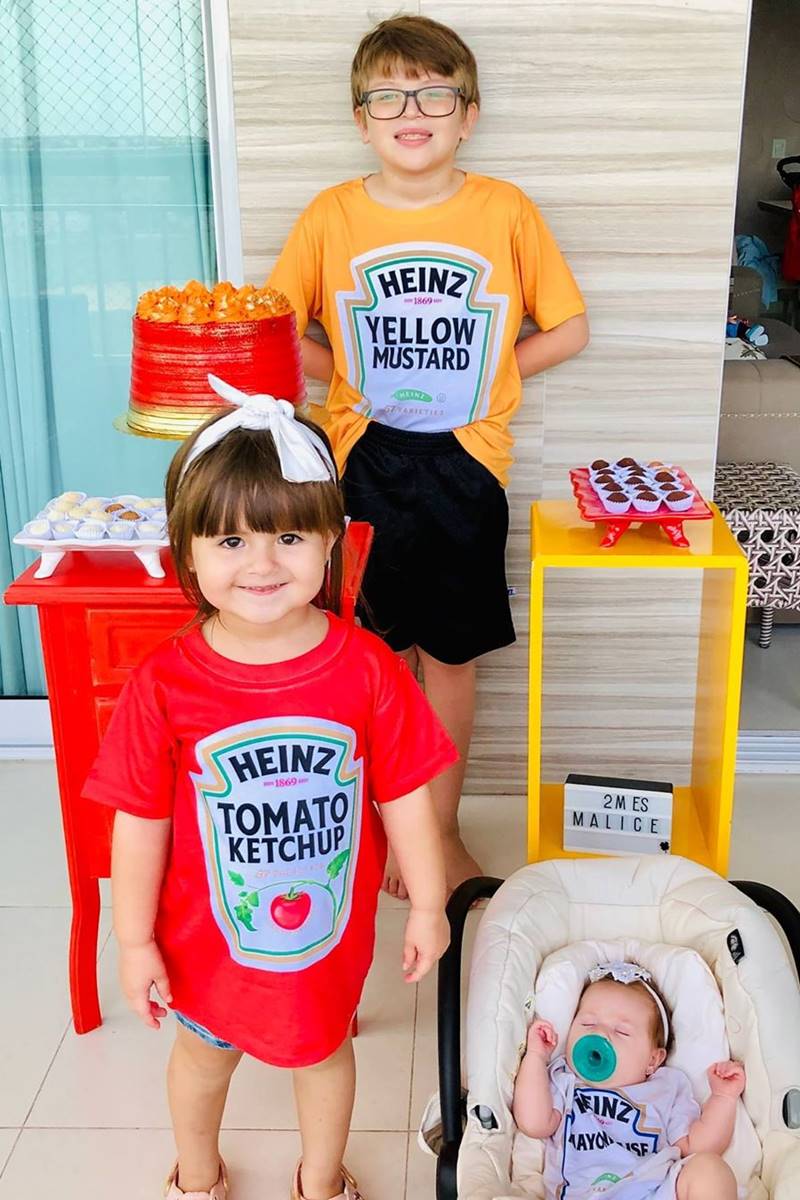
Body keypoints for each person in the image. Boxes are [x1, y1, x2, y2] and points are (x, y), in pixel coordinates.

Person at [83, 376, 456, 1200]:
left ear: (334, 542)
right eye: (229, 541)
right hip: (204, 944)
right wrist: (134, 939)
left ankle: (321, 1180)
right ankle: (200, 1172)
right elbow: (139, 823)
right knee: (202, 1061)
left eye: (288, 536)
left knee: (324, 1057)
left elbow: (404, 794)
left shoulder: (367, 668)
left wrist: (428, 903)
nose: (260, 563)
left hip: (323, 941)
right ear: (188, 552)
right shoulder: (164, 683)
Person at [269, 14, 590, 899]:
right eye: (388, 95)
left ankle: (439, 833)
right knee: (368, 656)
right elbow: (273, 330)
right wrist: (348, 384)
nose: (412, 110)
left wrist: (495, 377)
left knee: (451, 658)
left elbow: (569, 327)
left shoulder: (504, 209)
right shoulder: (332, 214)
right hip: (359, 461)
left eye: (434, 92)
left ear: (468, 113)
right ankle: (381, 830)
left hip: (466, 464)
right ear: (361, 116)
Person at [512, 961, 745, 1199]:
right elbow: (533, 1123)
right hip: (585, 1194)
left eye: (621, 1032)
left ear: (653, 1060)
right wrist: (536, 1056)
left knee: (709, 1170)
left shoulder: (667, 1087)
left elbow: (697, 1146)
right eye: (587, 1024)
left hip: (654, 1190)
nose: (599, 1034)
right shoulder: (565, 1080)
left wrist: (723, 1097)